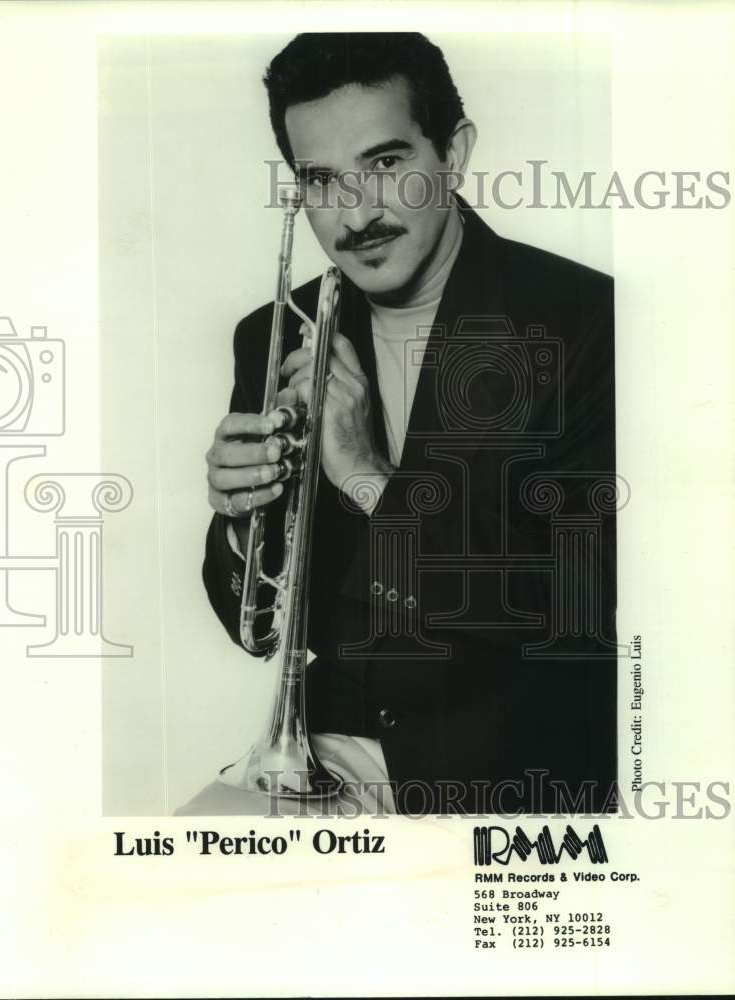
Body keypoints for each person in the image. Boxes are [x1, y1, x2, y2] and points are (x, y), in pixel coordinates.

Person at [189, 32, 617, 816]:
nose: (357, 213)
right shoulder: (275, 334)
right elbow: (254, 628)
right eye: (321, 180)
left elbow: (577, 613)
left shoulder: (585, 320)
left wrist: (361, 473)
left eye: (386, 165)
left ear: (452, 155)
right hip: (331, 750)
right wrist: (239, 520)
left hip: (518, 771)